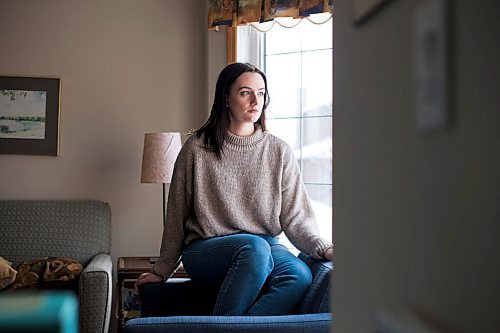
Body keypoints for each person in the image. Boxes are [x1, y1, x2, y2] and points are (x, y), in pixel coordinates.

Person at [135, 62, 334, 316]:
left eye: (261, 93)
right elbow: (176, 215)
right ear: (226, 98)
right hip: (207, 249)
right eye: (245, 92)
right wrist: (161, 270)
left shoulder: (279, 151)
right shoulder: (196, 149)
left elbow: (296, 217)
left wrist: (322, 246)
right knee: (254, 249)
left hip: (265, 246)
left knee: (299, 275)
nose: (256, 100)